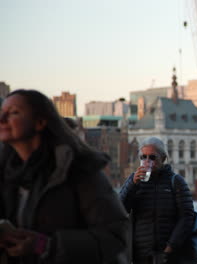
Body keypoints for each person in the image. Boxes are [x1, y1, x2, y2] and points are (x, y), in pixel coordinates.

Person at [0, 89, 129, 263]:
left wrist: (44, 246)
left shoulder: (78, 170)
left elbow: (116, 237)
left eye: (14, 112)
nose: (2, 119)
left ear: (40, 122)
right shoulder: (6, 174)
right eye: (2, 112)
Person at [120, 137, 195, 264]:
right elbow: (121, 209)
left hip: (170, 253)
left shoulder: (176, 181)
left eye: (152, 157)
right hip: (141, 253)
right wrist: (132, 184)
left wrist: (171, 246)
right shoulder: (134, 180)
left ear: (163, 158)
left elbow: (187, 216)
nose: (147, 161)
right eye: (143, 157)